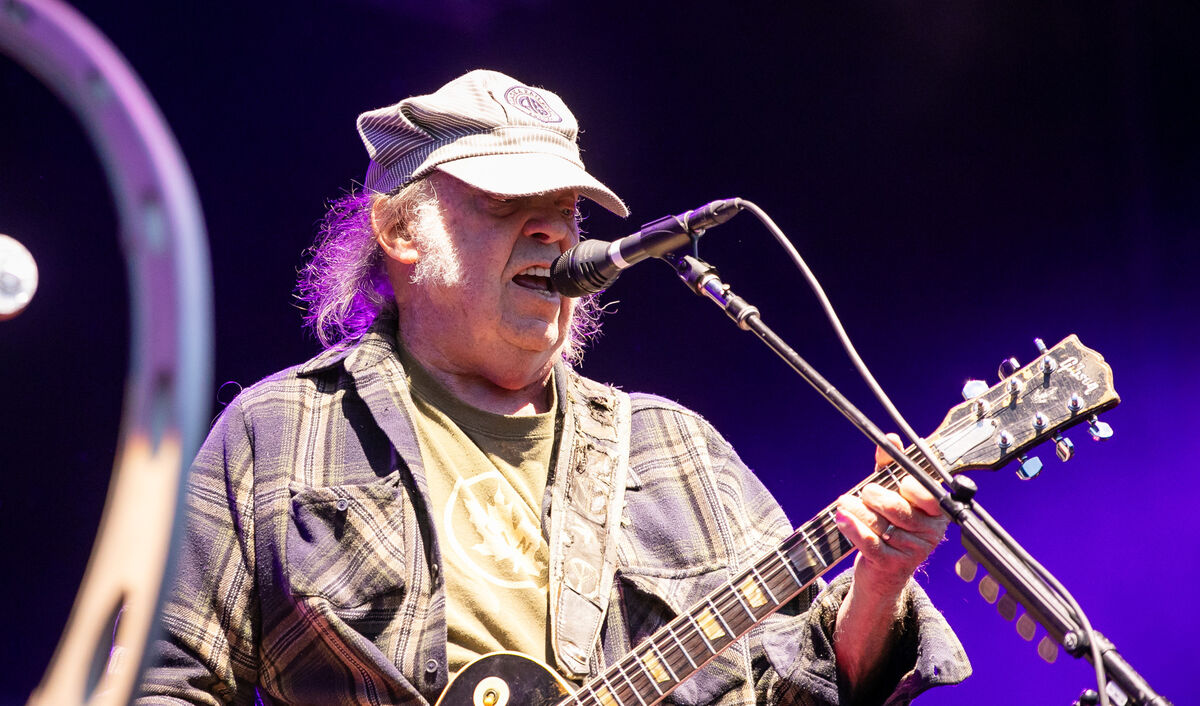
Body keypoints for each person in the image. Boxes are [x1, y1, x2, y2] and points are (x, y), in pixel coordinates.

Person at [137, 69, 970, 705]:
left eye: (567, 209)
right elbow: (164, 680)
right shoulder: (280, 433)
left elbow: (801, 689)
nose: (553, 230)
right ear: (399, 229)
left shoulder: (678, 451)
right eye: (507, 203)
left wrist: (879, 582)